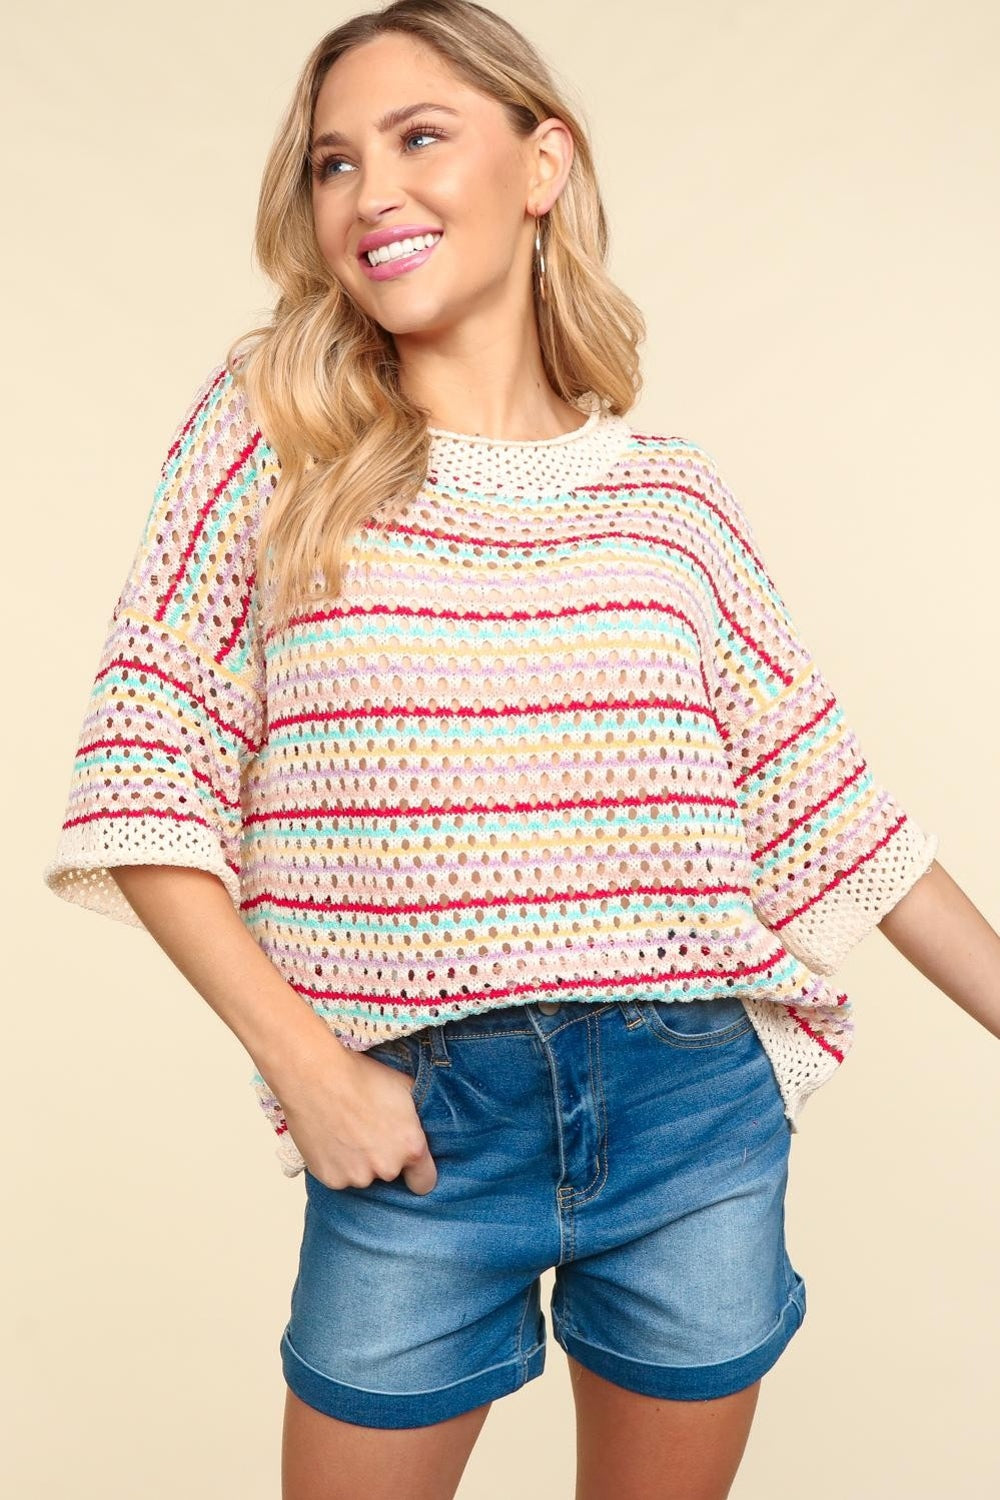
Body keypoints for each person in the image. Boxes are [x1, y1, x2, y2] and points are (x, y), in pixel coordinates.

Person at [42, 3, 1000, 1497]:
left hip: (692, 1110)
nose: (371, 194)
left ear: (543, 161)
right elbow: (143, 771)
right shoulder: (272, 435)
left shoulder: (672, 502)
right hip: (414, 1122)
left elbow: (833, 806)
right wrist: (306, 1066)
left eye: (421, 138)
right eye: (334, 164)